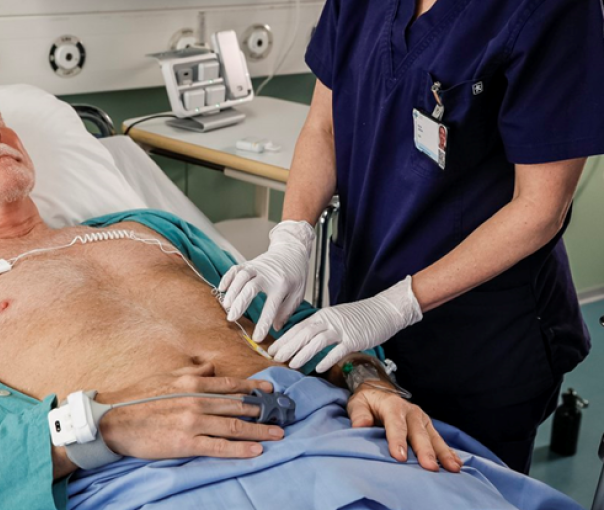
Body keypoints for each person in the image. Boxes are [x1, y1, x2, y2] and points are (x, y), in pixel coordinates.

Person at [0, 90, 462, 510]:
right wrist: (90, 429)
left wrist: (369, 377)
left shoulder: (148, 230)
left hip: (336, 433)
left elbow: (291, 321)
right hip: (158, 481)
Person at [219, 0, 604, 473]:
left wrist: (393, 306)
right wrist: (292, 238)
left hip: (480, 343)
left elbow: (540, 209)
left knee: (462, 494)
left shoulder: (552, 11)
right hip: (363, 324)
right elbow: (323, 126)